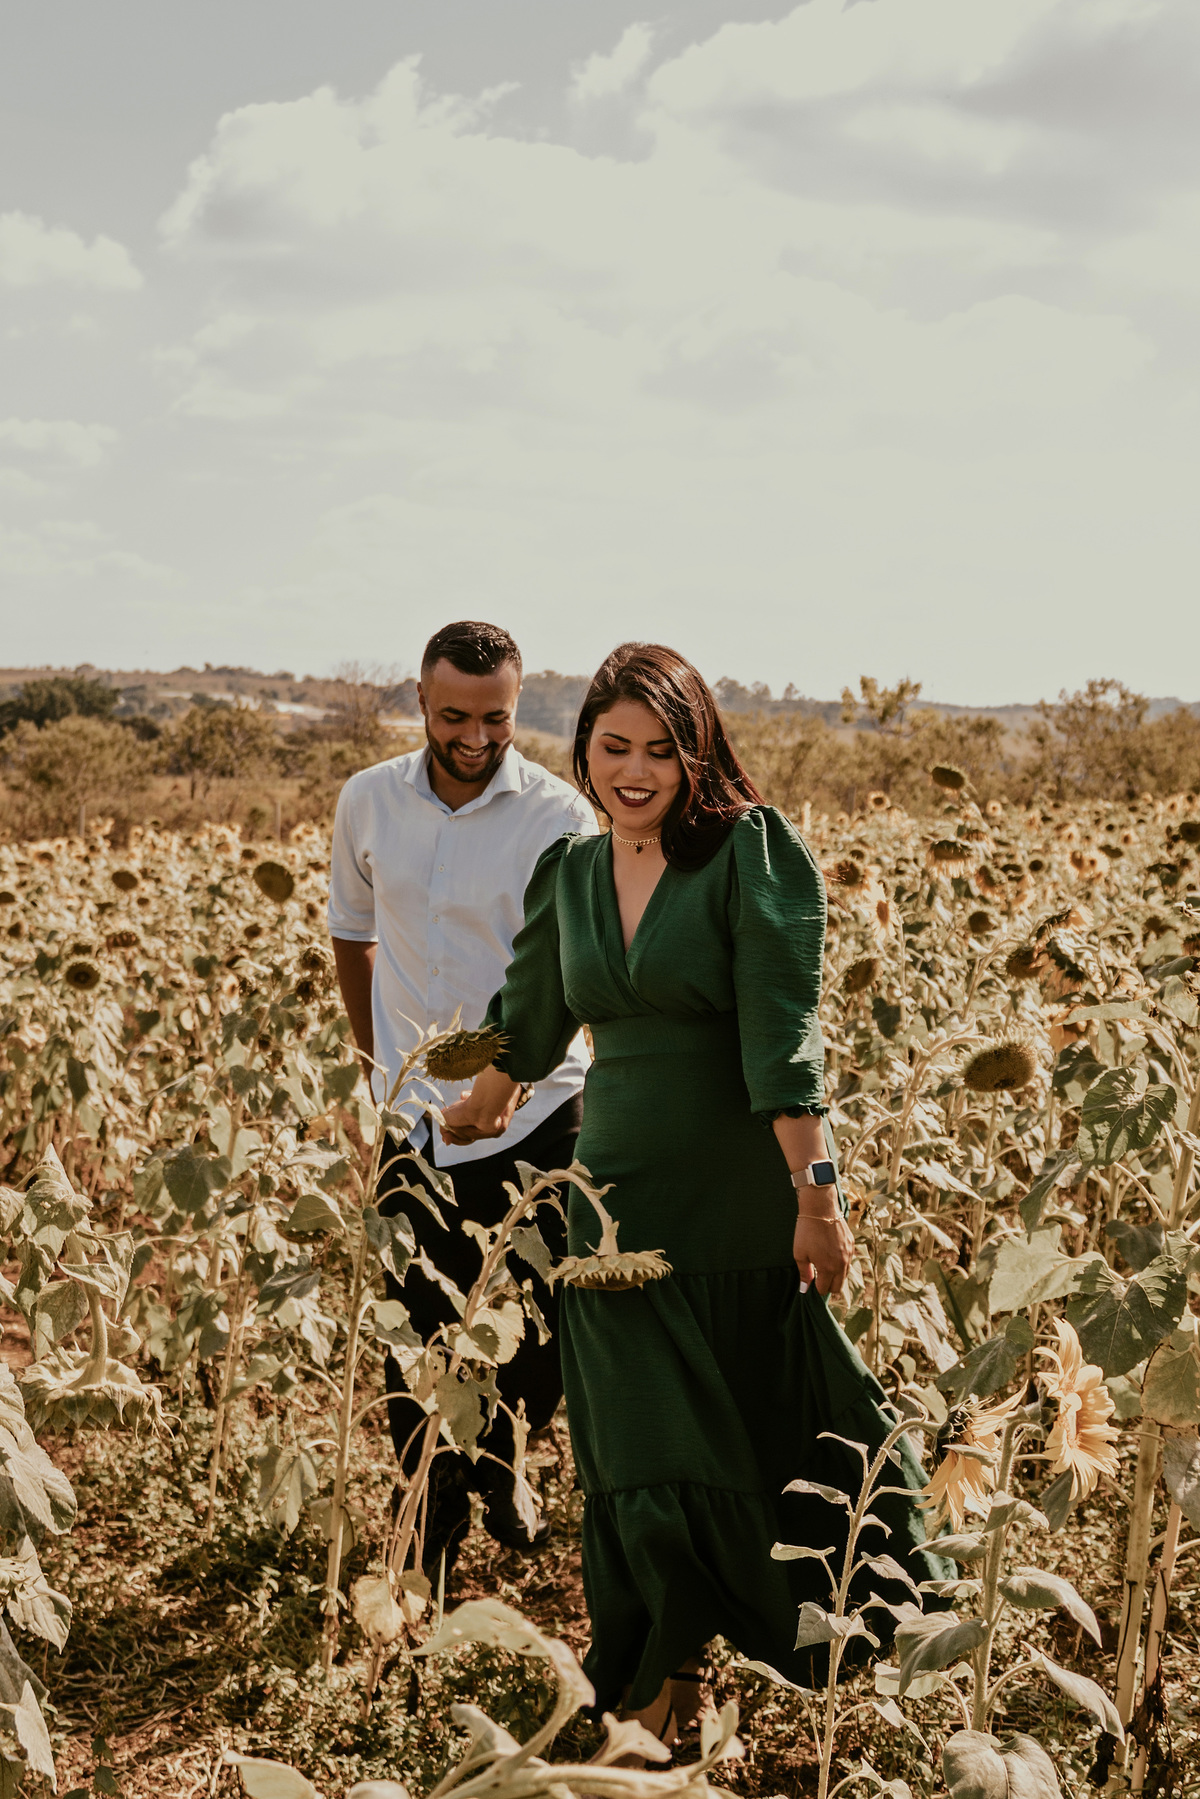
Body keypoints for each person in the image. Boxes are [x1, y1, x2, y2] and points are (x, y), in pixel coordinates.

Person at [441, 642, 945, 1740]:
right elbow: (530, 1018)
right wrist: (474, 1102)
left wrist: (817, 1197)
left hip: (734, 1201)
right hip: (610, 1205)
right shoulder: (569, 871)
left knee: (749, 1434)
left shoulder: (749, 856)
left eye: (659, 750)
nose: (632, 769)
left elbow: (783, 1043)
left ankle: (686, 1684)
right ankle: (653, 1681)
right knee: (634, 1452)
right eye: (612, 746)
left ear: (696, 750)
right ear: (584, 749)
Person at [327, 620, 597, 1566]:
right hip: (413, 1112)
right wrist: (374, 1070)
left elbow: (567, 968)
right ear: (420, 703)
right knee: (414, 1323)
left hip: (538, 1106)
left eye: (497, 718)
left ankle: (507, 1454)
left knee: (545, 1318)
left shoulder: (561, 816)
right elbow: (351, 933)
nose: (476, 738)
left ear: (518, 706)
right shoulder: (367, 802)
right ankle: (430, 1508)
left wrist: (506, 1078)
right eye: (455, 717)